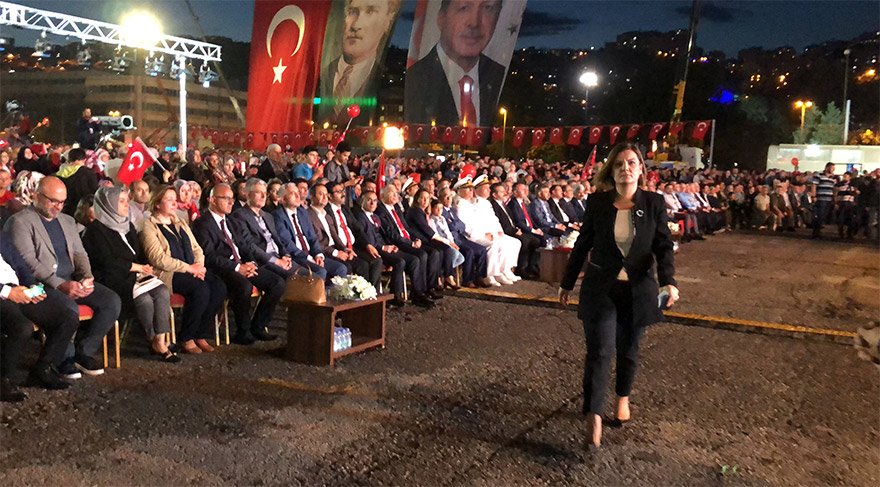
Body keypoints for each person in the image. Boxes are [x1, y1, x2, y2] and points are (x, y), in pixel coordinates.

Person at [558, 143, 678, 450]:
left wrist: (669, 282)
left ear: (641, 169)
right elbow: (583, 244)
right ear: (611, 170)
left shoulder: (653, 202)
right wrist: (567, 282)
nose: (626, 168)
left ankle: (622, 396)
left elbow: (663, 246)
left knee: (629, 349)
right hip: (601, 288)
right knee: (599, 351)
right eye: (619, 164)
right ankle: (594, 415)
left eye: (632, 163)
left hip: (638, 289)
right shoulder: (598, 202)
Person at [4, 176, 121, 378]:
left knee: (111, 301)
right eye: (53, 201)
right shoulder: (20, 222)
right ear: (36, 196)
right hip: (42, 284)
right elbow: (29, 263)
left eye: (62, 202)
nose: (58, 207)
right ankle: (63, 358)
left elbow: (80, 253)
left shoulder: (67, 221)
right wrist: (60, 284)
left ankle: (84, 351)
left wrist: (86, 276)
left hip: (71, 279)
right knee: (68, 309)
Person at [81, 185, 176, 362]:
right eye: (121, 201)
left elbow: (137, 254)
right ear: (108, 204)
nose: (127, 205)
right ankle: (152, 339)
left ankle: (160, 339)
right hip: (112, 278)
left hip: (135, 275)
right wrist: (136, 267)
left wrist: (145, 267)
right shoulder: (95, 231)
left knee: (162, 290)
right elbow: (106, 262)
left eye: (126, 201)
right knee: (145, 299)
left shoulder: (128, 226)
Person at [193, 184, 284, 345]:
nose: (231, 202)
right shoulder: (202, 223)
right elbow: (209, 256)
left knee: (277, 283)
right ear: (212, 200)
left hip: (242, 264)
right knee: (244, 286)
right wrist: (237, 267)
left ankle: (258, 326)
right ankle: (243, 331)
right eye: (226, 198)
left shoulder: (232, 222)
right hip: (221, 269)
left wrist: (251, 263)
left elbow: (245, 246)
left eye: (232, 198)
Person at [141, 186, 226, 354]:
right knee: (200, 289)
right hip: (169, 273)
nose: (175, 203)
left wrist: (199, 266)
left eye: (175, 199)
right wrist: (189, 268)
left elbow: (196, 248)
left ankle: (201, 333)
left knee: (219, 287)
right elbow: (158, 258)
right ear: (157, 203)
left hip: (192, 269)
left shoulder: (179, 222)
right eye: (169, 200)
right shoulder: (149, 226)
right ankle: (186, 337)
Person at [404, 0, 505, 126]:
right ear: (441, 18)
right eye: (464, 8)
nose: (474, 23)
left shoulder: (503, 79)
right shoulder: (412, 80)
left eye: (488, 8)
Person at [1, 239, 79, 400]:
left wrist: (32, 286)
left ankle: (43, 369)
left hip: (19, 290)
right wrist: (7, 292)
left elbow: (21, 266)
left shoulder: (2, 237)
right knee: (21, 327)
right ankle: (3, 381)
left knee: (66, 317)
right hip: (3, 293)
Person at [318, 0, 401, 125]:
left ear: (388, 21)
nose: (355, 25)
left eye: (370, 11)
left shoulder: (384, 81)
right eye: (352, 12)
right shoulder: (320, 75)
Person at [354, 190, 435, 308]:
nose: (372, 203)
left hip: (386, 246)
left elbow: (384, 234)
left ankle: (418, 294)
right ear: (362, 201)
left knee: (414, 260)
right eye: (369, 200)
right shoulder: (360, 217)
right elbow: (366, 238)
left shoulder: (375, 216)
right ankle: (395, 296)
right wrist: (384, 247)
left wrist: (390, 246)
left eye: (375, 200)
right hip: (373, 249)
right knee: (399, 262)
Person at [375, 185, 444, 299]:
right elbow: (392, 234)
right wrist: (410, 243)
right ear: (383, 195)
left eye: (396, 193)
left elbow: (406, 227)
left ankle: (429, 288)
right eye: (392, 193)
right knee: (421, 255)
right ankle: (418, 292)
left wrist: (415, 239)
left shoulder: (396, 207)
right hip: (397, 243)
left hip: (407, 239)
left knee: (434, 252)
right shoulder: (380, 210)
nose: (395, 195)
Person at [272, 182, 348, 283]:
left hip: (311, 253)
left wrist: (318, 254)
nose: (297, 196)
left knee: (340, 268)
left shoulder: (302, 212)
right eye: (292, 193)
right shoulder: (277, 215)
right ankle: (319, 293)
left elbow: (312, 237)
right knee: (320, 271)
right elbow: (287, 243)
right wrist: (308, 257)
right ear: (283, 199)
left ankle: (328, 292)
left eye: (297, 193)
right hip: (296, 257)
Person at [406, 189, 461, 288]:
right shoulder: (415, 211)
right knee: (437, 251)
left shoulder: (422, 211)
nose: (425, 200)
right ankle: (434, 282)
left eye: (427, 198)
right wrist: (447, 241)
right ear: (417, 199)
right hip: (419, 240)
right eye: (422, 198)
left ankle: (444, 277)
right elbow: (428, 231)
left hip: (426, 239)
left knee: (444, 249)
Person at [439, 186, 488, 288]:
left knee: (482, 250)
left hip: (460, 238)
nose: (448, 199)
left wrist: (455, 225)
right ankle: (467, 280)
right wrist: (456, 225)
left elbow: (462, 225)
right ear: (440, 198)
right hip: (452, 240)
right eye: (445, 196)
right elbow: (451, 227)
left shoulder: (452, 210)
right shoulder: (440, 210)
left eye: (450, 196)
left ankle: (479, 277)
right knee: (469, 251)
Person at [490, 183, 540, 279]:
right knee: (524, 241)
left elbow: (512, 220)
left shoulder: (503, 204)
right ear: (494, 195)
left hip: (514, 229)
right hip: (505, 232)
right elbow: (502, 224)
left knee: (535, 240)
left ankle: (530, 268)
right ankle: (519, 269)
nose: (505, 193)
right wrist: (515, 231)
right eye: (502, 192)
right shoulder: (494, 205)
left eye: (504, 191)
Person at [55, 148, 98, 216]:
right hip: (82, 212)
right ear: (84, 159)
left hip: (63, 211)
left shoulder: (58, 173)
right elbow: (94, 192)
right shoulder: (88, 173)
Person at [810, 162, 837, 239]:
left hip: (829, 199)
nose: (833, 170)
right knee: (819, 215)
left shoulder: (833, 177)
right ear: (827, 167)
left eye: (834, 169)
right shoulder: (819, 175)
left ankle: (818, 231)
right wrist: (813, 196)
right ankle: (816, 232)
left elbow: (834, 188)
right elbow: (814, 185)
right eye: (832, 168)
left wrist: (834, 198)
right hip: (821, 198)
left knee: (824, 216)